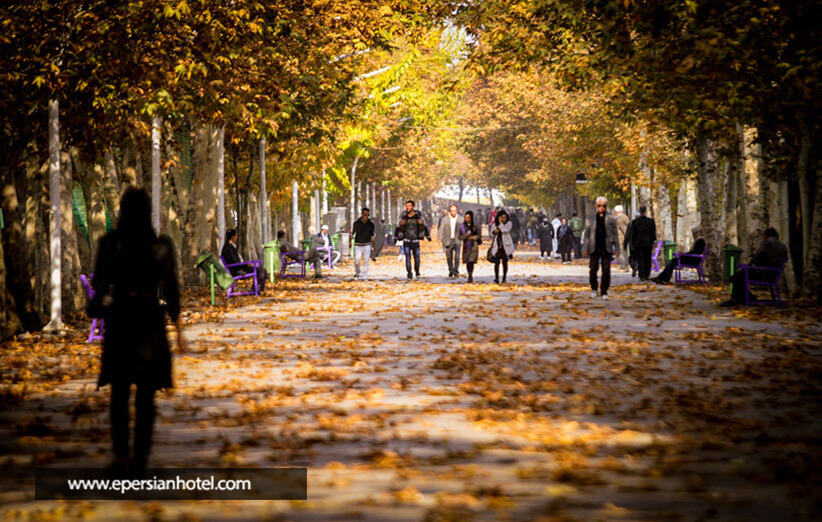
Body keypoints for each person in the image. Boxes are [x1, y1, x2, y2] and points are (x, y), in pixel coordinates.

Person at [89, 188, 186, 477]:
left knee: (119, 392)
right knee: (146, 394)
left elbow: (100, 282)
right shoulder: (161, 246)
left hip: (120, 321)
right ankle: (141, 457)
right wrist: (180, 331)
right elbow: (172, 290)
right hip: (149, 321)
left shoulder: (110, 243)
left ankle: (121, 455)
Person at [721, 228, 788, 306]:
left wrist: (751, 261)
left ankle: (737, 298)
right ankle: (746, 296)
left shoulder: (767, 244)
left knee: (738, 277)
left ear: (766, 236)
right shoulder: (783, 246)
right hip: (773, 274)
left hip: (764, 274)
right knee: (741, 275)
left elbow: (759, 257)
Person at [583, 196, 619, 300]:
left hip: (606, 247)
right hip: (594, 247)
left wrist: (617, 247)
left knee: (606, 270)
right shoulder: (590, 218)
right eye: (599, 206)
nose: (601, 208)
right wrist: (585, 248)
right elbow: (587, 234)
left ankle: (604, 291)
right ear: (596, 206)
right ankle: (594, 288)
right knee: (593, 269)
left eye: (604, 206)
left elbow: (615, 234)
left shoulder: (611, 218)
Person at [396, 200, 431, 280]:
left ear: (413, 207)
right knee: (408, 257)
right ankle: (409, 273)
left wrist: (426, 235)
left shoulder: (418, 216)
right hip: (406, 241)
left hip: (415, 241)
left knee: (417, 258)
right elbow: (399, 228)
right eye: (406, 206)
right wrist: (402, 226)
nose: (407, 207)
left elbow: (423, 227)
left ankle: (417, 272)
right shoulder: (404, 216)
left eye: (409, 206)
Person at [629, 206, 657, 281]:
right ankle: (647, 274)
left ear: (640, 211)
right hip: (648, 243)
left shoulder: (635, 222)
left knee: (640, 259)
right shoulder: (651, 221)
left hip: (639, 243)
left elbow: (633, 234)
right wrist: (654, 241)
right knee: (647, 259)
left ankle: (642, 275)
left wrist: (633, 243)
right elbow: (653, 233)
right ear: (645, 211)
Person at [489, 209, 515, 284]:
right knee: (496, 263)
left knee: (505, 262)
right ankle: (496, 277)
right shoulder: (494, 225)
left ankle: (504, 278)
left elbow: (505, 230)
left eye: (505, 217)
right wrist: (495, 231)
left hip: (505, 246)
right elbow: (491, 234)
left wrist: (500, 224)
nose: (504, 219)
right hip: (497, 246)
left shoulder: (509, 223)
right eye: (502, 217)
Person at [438, 203, 464, 278]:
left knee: (457, 256)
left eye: (455, 211)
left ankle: (456, 270)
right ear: (449, 211)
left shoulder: (461, 219)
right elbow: (441, 229)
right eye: (452, 211)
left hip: (457, 240)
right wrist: (440, 238)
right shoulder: (445, 219)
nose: (453, 212)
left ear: (457, 211)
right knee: (449, 256)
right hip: (448, 240)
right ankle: (450, 270)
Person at [351, 207, 375, 280]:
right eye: (364, 214)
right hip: (358, 244)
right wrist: (349, 242)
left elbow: (373, 236)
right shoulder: (356, 223)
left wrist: (373, 246)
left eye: (367, 215)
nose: (366, 216)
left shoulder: (371, 224)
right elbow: (352, 233)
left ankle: (364, 275)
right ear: (361, 214)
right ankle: (357, 272)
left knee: (366, 261)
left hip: (367, 244)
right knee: (357, 261)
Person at [459, 210, 482, 283]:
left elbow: (479, 236)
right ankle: (468, 272)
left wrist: (473, 237)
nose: (467, 219)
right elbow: (459, 237)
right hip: (466, 246)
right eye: (465, 217)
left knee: (471, 261)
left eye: (468, 217)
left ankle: (470, 275)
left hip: (473, 245)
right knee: (467, 261)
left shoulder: (475, 226)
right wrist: (465, 236)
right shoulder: (462, 226)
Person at [614, 205, 631, 270]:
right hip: (623, 238)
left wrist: (627, 238)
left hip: (621, 238)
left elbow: (624, 229)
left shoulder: (620, 219)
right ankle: (623, 265)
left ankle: (624, 266)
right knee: (623, 252)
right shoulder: (625, 216)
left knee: (622, 253)